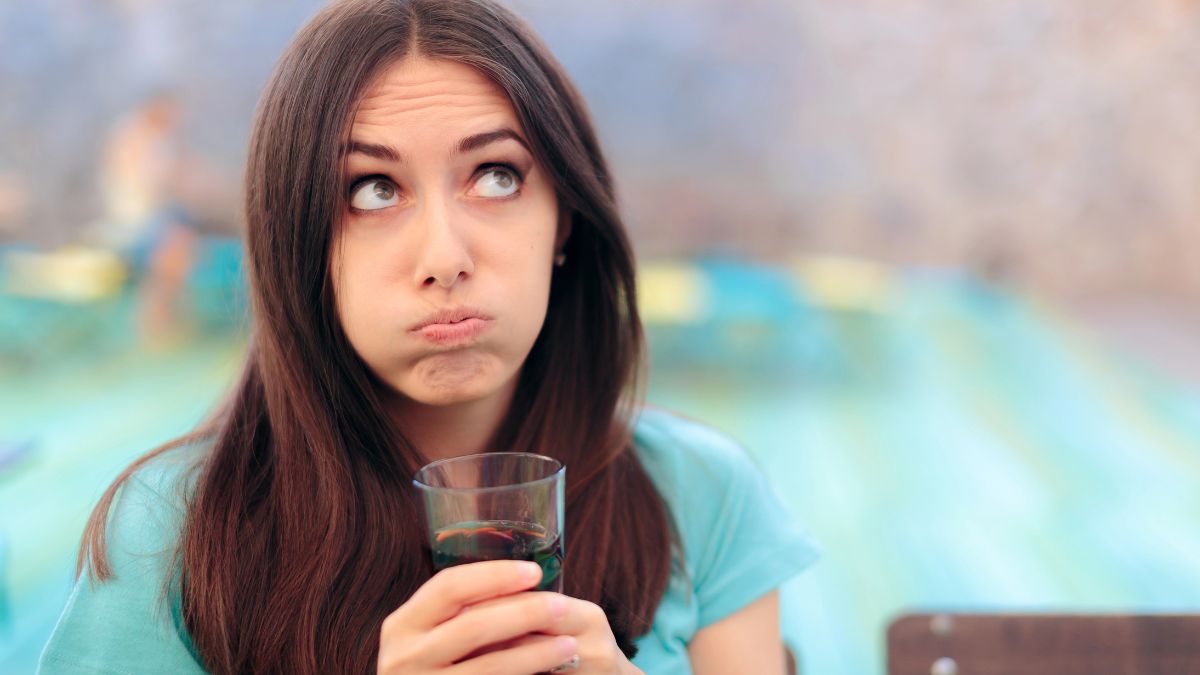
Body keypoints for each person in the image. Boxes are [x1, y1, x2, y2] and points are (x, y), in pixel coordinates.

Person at [37, 1, 818, 673]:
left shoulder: (702, 497)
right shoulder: (170, 532)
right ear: (301, 241)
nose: (445, 258)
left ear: (565, 218)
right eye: (374, 190)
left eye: (497, 175)